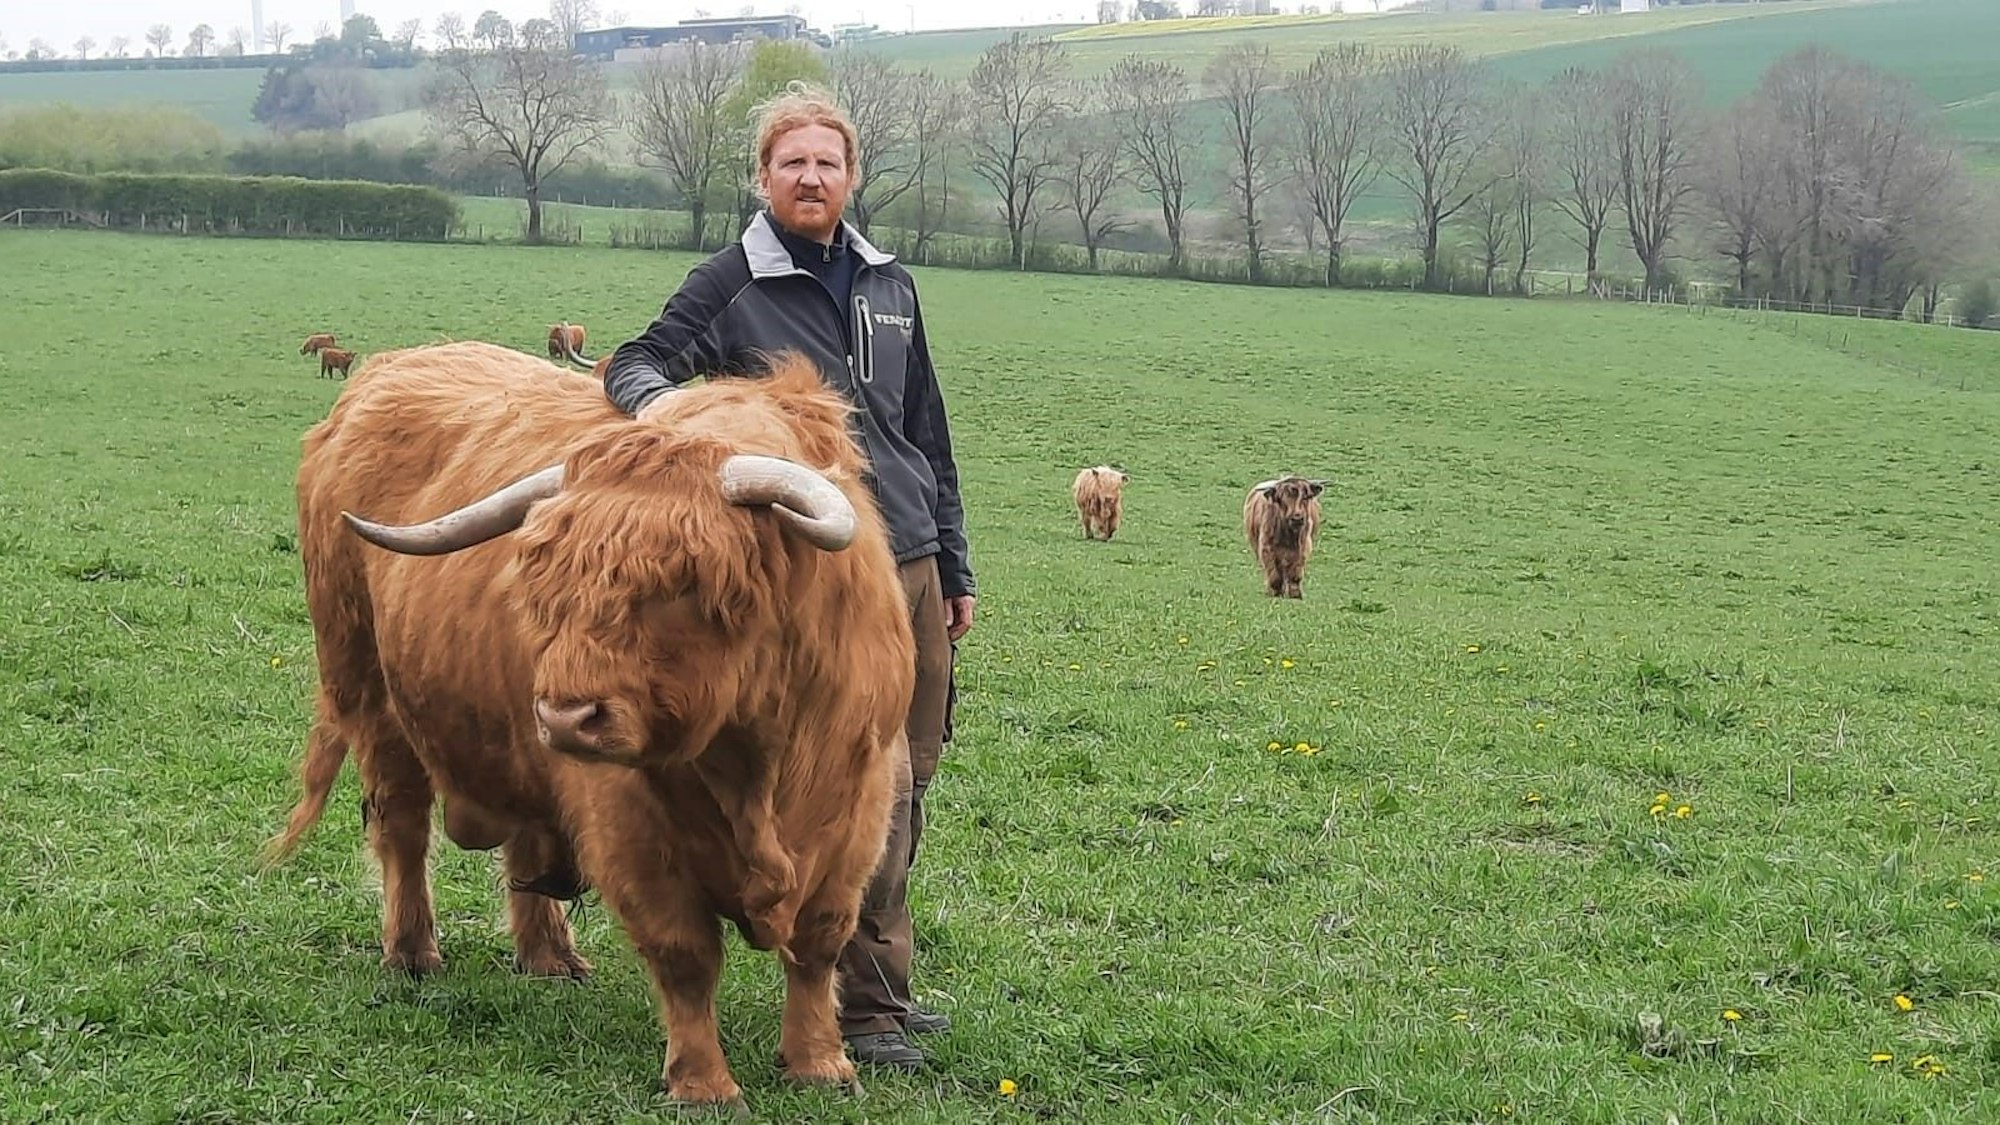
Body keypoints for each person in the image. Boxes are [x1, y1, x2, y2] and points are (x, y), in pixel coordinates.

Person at [600, 81, 974, 1074]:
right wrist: (680, 423)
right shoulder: (730, 280)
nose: (810, 177)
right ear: (762, 176)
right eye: (791, 162)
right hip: (806, 581)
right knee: (838, 779)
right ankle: (859, 1016)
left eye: (827, 162)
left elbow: (923, 431)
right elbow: (635, 363)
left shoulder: (889, 284)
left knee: (901, 784)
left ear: (852, 176)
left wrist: (953, 560)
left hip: (905, 565)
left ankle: (879, 986)